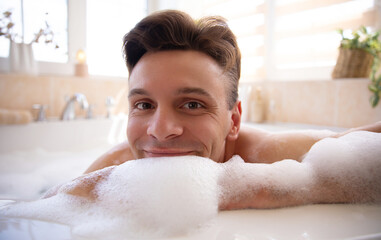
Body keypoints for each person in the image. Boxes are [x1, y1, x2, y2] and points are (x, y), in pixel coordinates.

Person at [47, 10, 381, 209]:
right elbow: (50, 208)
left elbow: (356, 141)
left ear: (233, 120)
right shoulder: (113, 170)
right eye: (144, 105)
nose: (160, 129)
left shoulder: (266, 154)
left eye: (192, 104)